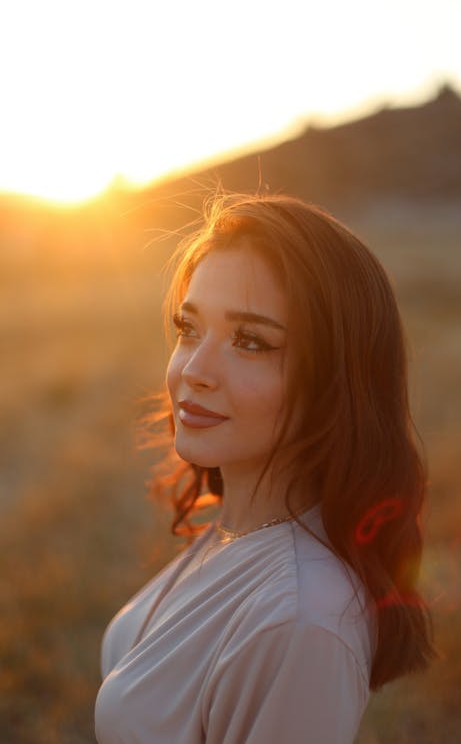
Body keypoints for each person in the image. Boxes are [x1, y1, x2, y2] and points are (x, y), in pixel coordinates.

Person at [95, 193, 435, 744]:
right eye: (188, 329)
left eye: (250, 341)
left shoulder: (301, 623)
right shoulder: (241, 532)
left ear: (334, 382)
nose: (195, 370)